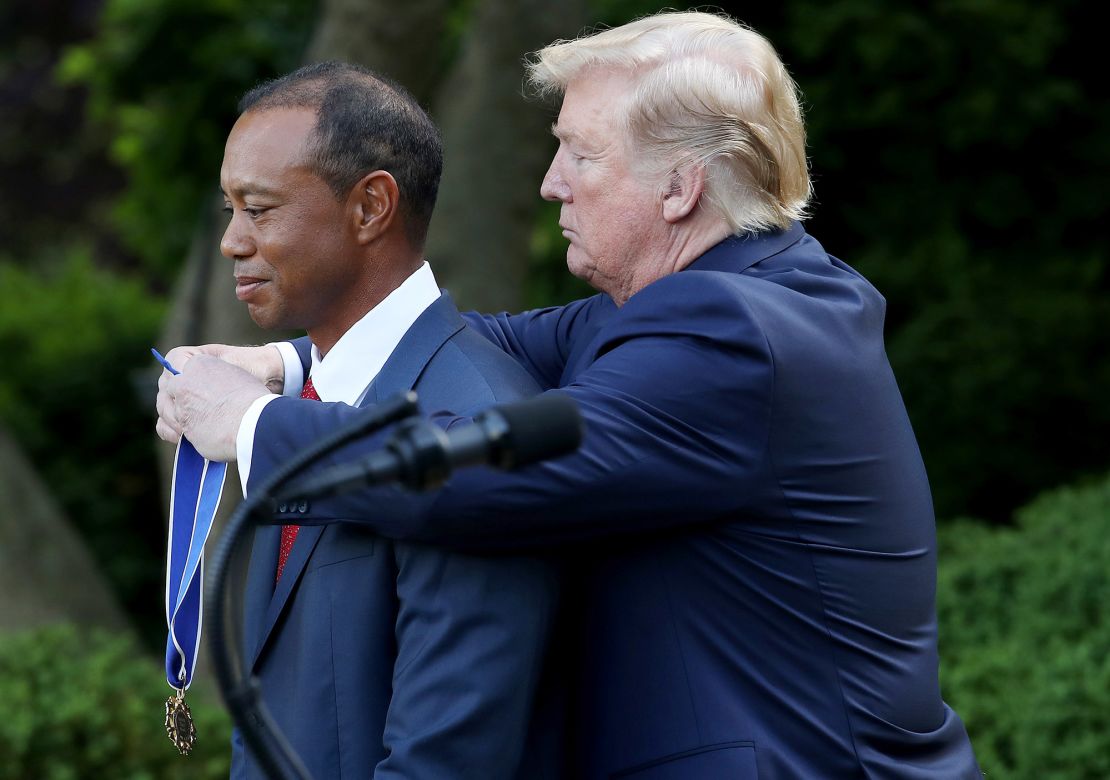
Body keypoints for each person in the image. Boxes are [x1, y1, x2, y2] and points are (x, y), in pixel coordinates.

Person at [158, 11, 982, 779]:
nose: (552, 184)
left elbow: (481, 476)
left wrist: (253, 426)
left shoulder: (728, 337)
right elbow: (495, 339)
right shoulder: (734, 295)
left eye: (580, 155)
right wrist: (290, 364)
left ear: (679, 188)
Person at [156, 62, 558, 779]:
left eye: (261, 208)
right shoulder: (304, 410)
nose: (232, 241)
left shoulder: (473, 425)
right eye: (230, 210)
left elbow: (446, 765)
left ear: (371, 207)